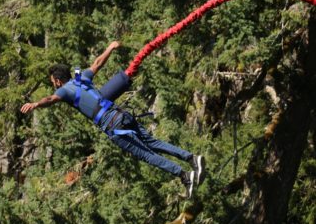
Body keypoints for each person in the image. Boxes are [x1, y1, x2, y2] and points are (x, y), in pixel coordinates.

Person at [21, 41, 206, 198]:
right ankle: (191, 158)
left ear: (57, 81)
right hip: (121, 114)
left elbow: (51, 99)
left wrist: (36, 104)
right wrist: (110, 47)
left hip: (111, 124)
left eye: (53, 82)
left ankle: (185, 175)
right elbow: (97, 63)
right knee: (153, 142)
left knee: (146, 154)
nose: (53, 86)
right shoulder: (80, 78)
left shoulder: (63, 91)